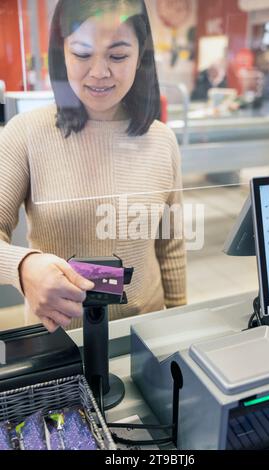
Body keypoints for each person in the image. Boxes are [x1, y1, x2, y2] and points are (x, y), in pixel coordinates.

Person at [0, 0, 187, 333]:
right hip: (61, 340)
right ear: (61, 54)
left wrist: (180, 324)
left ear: (141, 55)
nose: (100, 72)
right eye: (82, 54)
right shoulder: (25, 134)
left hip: (147, 334)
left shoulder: (162, 140)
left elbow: (170, 244)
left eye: (117, 56)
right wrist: (22, 266)